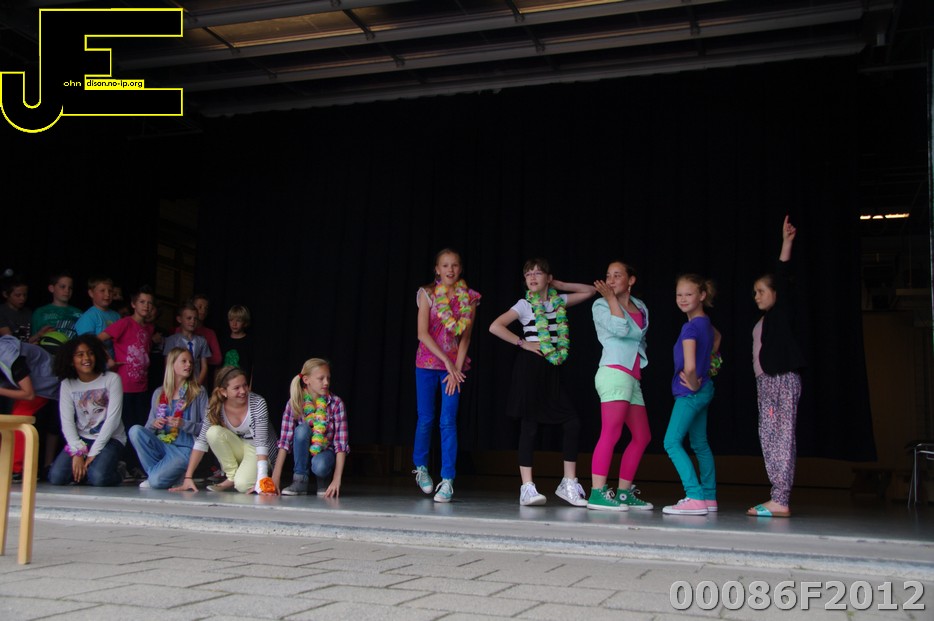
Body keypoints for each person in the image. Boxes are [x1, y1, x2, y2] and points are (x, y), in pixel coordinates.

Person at [489, 258, 596, 507]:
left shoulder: (559, 301)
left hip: (553, 370)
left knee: (572, 422)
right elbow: (495, 326)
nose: (533, 277)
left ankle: (568, 483)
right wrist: (523, 343)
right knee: (530, 426)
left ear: (548, 278)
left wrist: (561, 285)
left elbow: (590, 291)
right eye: (528, 274)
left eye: (538, 273)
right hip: (530, 369)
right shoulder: (524, 305)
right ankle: (527, 488)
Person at [412, 248, 481, 503]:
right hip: (427, 365)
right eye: (445, 265)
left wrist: (457, 369)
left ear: (460, 269)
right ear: (437, 269)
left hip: (454, 369)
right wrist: (447, 362)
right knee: (426, 418)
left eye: (454, 265)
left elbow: (466, 338)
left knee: (448, 421)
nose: (450, 269)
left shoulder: (470, 298)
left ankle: (448, 480)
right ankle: (420, 467)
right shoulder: (427, 293)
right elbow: (422, 334)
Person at [747, 216, 805, 518]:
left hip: (780, 381)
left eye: (761, 291)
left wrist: (786, 243)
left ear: (776, 293)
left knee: (780, 438)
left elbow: (782, 276)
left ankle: (780, 498)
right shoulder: (765, 319)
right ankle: (777, 496)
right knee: (769, 438)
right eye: (755, 292)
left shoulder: (780, 313)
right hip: (767, 383)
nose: (757, 296)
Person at [587, 261, 653, 511]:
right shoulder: (601, 305)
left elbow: (639, 337)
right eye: (608, 276)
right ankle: (597, 492)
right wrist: (612, 300)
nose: (611, 280)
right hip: (614, 372)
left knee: (642, 436)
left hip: (632, 375)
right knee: (611, 432)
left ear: (631, 280)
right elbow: (620, 328)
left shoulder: (641, 306)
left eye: (617, 275)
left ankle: (624, 493)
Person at [662, 274, 721, 515]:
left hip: (690, 393)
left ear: (702, 295)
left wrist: (694, 382)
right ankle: (709, 497)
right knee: (700, 444)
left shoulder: (690, 328)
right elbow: (718, 338)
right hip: (705, 390)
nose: (683, 299)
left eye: (689, 294)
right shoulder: (705, 323)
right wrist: (706, 367)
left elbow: (689, 367)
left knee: (671, 442)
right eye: (679, 294)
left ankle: (695, 496)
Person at [169, 365, 277, 494]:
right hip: (240, 447)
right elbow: (202, 441)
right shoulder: (215, 406)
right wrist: (188, 477)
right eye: (236, 388)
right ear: (223, 392)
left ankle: (248, 477)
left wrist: (262, 479)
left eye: (245, 385)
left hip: (260, 452)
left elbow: (261, 443)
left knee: (242, 485)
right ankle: (232, 476)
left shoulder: (257, 402)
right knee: (212, 432)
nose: (243, 391)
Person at [47, 335, 125, 486]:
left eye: (90, 353)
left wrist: (93, 452)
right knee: (56, 477)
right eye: (80, 354)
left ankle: (119, 471)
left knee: (98, 478)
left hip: (111, 439)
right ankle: (86, 472)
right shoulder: (67, 384)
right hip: (83, 439)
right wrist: (77, 451)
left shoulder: (112, 379)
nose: (86, 358)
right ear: (71, 360)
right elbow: (67, 421)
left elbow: (113, 420)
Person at [129, 347, 207, 489]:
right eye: (184, 361)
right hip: (162, 445)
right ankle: (167, 476)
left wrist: (184, 424)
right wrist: (154, 423)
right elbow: (147, 430)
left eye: (191, 362)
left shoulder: (198, 391)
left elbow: (207, 428)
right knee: (135, 431)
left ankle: (155, 477)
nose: (189, 365)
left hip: (185, 449)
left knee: (155, 482)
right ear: (172, 364)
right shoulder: (159, 393)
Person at [271, 358, 349, 498]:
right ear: (306, 380)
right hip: (302, 454)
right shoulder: (294, 403)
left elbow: (341, 444)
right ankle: (300, 480)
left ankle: (324, 480)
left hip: (324, 452)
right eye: (321, 378)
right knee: (302, 430)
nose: (326, 382)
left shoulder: (336, 403)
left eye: (328, 378)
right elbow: (284, 441)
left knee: (320, 464)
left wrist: (337, 479)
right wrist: (275, 477)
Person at [99, 286, 158, 443]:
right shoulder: (125, 323)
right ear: (133, 304)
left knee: (140, 426)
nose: (146, 306)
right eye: (142, 302)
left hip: (142, 386)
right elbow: (98, 339)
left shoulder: (148, 328)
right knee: (126, 426)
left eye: (149, 303)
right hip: (124, 386)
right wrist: (108, 360)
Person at [0, 335, 61, 481]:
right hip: (24, 384)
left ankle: (17, 469)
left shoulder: (7, 355)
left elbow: (28, 394)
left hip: (46, 383)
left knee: (17, 419)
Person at [162, 302, 211, 386]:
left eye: (195, 319)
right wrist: (174, 385)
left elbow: (204, 367)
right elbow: (168, 365)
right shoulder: (172, 340)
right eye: (189, 318)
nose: (192, 321)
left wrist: (197, 384)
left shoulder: (202, 341)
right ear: (179, 319)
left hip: (196, 383)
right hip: (177, 384)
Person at [74, 275, 120, 359]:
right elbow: (88, 345)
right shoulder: (88, 317)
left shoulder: (116, 315)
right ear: (91, 293)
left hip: (117, 362)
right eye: (102, 291)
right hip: (99, 362)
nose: (107, 294)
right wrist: (108, 360)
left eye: (110, 291)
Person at [31, 271, 83, 343]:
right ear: (51, 288)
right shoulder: (40, 312)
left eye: (70, 288)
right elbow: (31, 342)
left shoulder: (79, 313)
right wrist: (39, 335)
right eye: (62, 287)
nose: (67, 290)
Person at [218, 304, 255, 386]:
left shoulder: (249, 342)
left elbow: (253, 366)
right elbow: (218, 366)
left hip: (242, 385)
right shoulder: (223, 341)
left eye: (238, 321)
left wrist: (250, 386)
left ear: (245, 322)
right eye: (231, 320)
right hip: (225, 384)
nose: (234, 324)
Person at [0, 272, 35, 343]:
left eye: (25, 295)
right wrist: (38, 335)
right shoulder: (1, 311)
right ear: (5, 294)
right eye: (18, 295)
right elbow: (10, 341)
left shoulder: (28, 313)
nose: (22, 298)